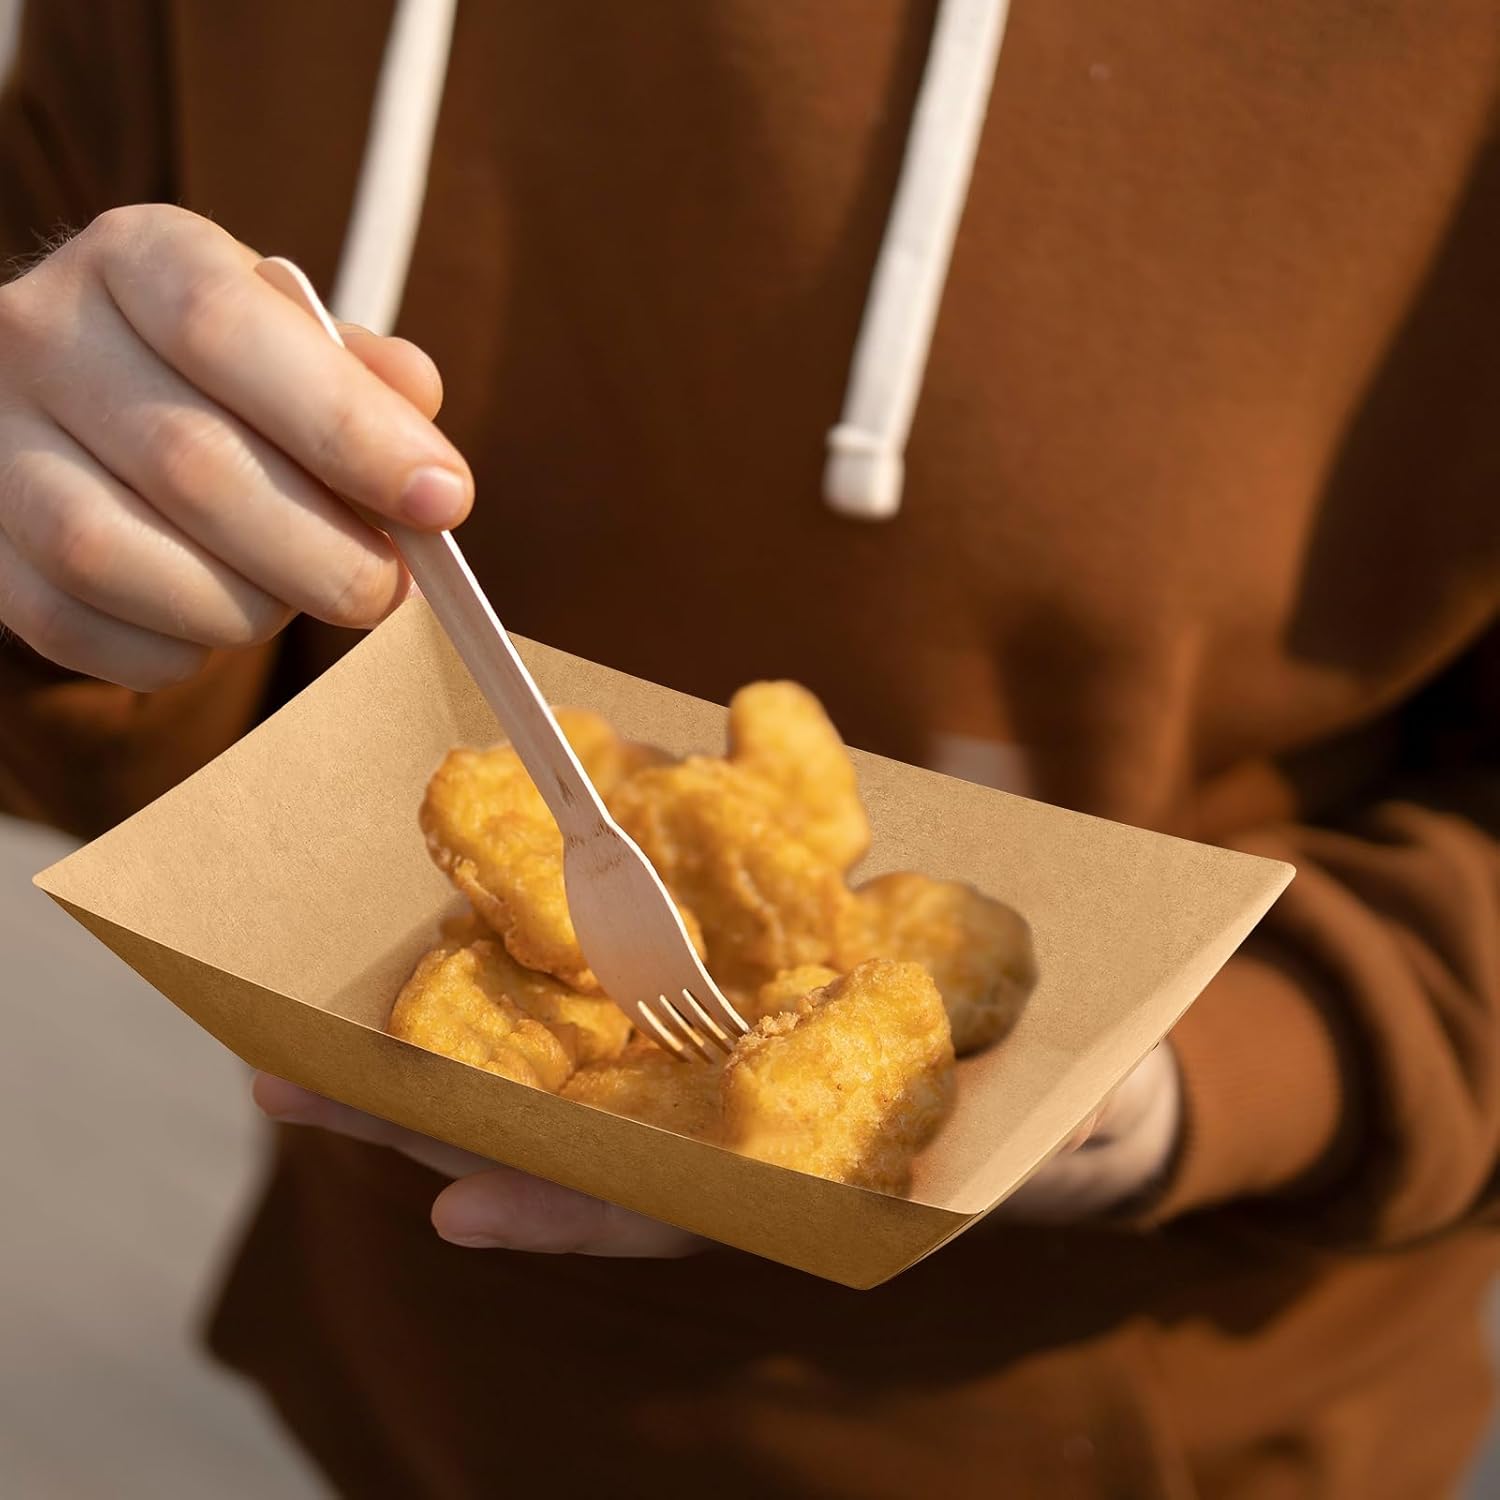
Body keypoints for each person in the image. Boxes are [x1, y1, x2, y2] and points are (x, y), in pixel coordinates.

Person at [0, 3, 1495, 1496]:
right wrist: (62, 565)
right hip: (411, 1379)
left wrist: (1216, 1070)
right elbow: (106, 644)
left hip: (1138, 1431)